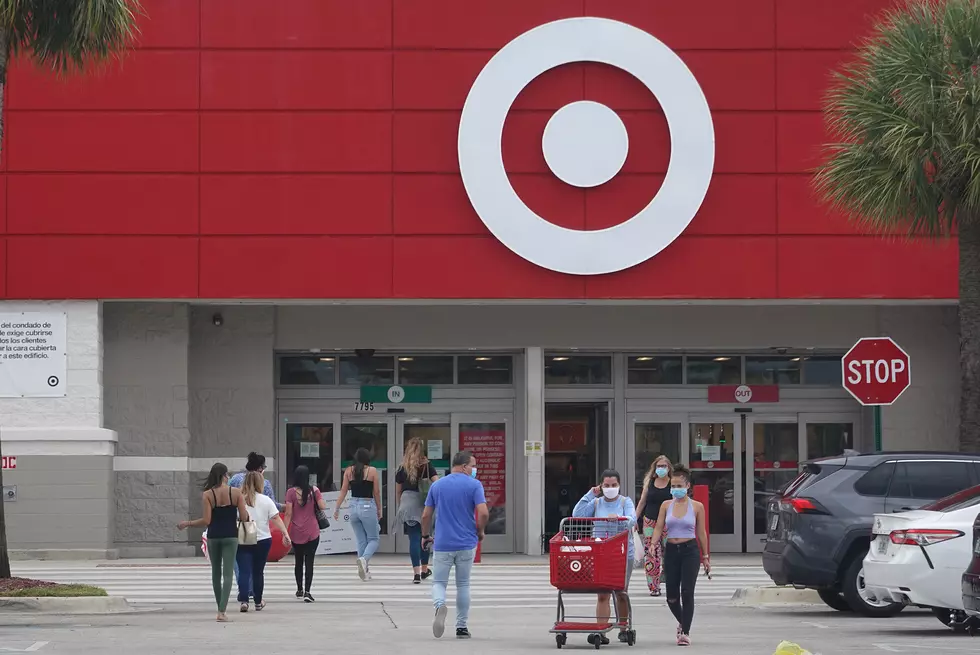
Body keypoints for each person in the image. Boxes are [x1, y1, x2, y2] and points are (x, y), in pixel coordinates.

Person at [421, 450, 488, 640]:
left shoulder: (438, 485)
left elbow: (426, 515)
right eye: (473, 465)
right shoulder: (474, 485)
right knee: (463, 584)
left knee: (439, 582)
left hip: (443, 543)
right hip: (466, 543)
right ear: (464, 466)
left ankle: (440, 604)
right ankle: (461, 627)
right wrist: (480, 530)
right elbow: (483, 512)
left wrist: (426, 535)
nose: (475, 469)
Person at [178, 462, 249, 622]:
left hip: (214, 536)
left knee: (216, 573)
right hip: (231, 536)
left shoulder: (208, 494)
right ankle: (222, 611)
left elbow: (207, 520)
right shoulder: (236, 493)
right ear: (225, 475)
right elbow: (244, 518)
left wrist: (188, 523)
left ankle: (219, 608)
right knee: (228, 573)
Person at [573, 469, 637, 646]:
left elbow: (633, 519)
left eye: (614, 485)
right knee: (602, 594)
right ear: (601, 486)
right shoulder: (595, 503)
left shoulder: (625, 501)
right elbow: (577, 514)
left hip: (623, 552)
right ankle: (601, 630)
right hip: (601, 551)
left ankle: (624, 628)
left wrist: (619, 518)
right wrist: (589, 494)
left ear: (619, 485)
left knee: (621, 592)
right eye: (606, 485)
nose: (610, 488)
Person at [649, 464, 710, 646]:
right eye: (673, 486)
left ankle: (685, 632)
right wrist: (653, 544)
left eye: (679, 486)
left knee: (687, 592)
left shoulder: (697, 507)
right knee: (671, 596)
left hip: (690, 551)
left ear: (687, 486)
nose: (676, 490)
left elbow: (701, 533)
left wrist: (705, 557)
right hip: (671, 551)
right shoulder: (666, 505)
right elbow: (659, 526)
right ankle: (683, 620)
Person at [237, 471, 291, 612]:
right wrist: (285, 533)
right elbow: (276, 518)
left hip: (245, 534)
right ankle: (258, 601)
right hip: (263, 538)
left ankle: (243, 600)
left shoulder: (240, 499)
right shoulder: (266, 500)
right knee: (258, 572)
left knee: (244, 571)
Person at [228, 452, 279, 598]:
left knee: (241, 561)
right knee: (257, 564)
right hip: (258, 528)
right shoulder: (265, 483)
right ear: (260, 468)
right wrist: (284, 507)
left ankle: (243, 588)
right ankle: (252, 590)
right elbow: (272, 504)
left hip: (241, 524)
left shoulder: (235, 479)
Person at [395, 437, 439, 583]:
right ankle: (424, 570)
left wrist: (400, 505)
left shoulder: (402, 467)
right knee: (425, 537)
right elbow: (437, 483)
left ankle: (416, 575)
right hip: (424, 502)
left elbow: (398, 491)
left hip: (407, 502)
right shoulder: (426, 465)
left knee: (413, 538)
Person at [334, 447, 382, 582]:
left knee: (361, 540)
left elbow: (343, 491)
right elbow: (376, 492)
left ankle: (364, 571)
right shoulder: (372, 471)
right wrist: (379, 509)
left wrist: (337, 508)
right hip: (367, 505)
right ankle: (364, 560)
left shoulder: (349, 471)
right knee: (374, 539)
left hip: (353, 506)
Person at [284, 465, 327, 602]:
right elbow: (322, 506)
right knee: (310, 562)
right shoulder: (314, 490)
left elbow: (288, 513)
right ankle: (308, 591)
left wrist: (285, 532)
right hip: (312, 532)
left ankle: (299, 589)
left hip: (296, 532)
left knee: (298, 561)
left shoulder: (290, 492)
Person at [635, 455, 673, 596]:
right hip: (650, 521)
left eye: (664, 466)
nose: (661, 469)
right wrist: (634, 519)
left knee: (670, 553)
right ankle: (654, 587)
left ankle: (670, 582)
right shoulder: (650, 482)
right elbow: (642, 502)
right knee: (651, 554)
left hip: (668, 523)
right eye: (659, 466)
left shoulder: (672, 483)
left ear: (668, 468)